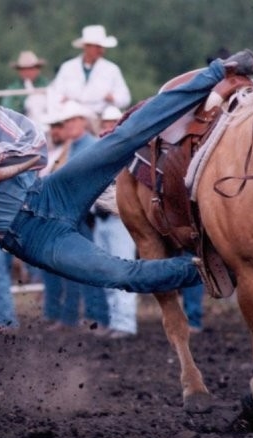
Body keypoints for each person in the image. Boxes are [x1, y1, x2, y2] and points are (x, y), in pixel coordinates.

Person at [0, 51, 253, 301]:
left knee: (123, 138)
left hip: (49, 193)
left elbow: (38, 146)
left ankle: (219, 71)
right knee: (118, 273)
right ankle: (221, 267)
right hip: (27, 236)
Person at [40, 101, 107, 331]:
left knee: (85, 267)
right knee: (79, 267)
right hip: (76, 215)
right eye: (65, 121)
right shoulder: (78, 145)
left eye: (69, 120)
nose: (66, 125)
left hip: (80, 215)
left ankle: (93, 315)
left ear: (81, 121)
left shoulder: (86, 146)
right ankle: (85, 316)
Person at [87, 105, 139, 339]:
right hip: (101, 217)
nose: (108, 126)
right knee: (107, 272)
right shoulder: (100, 150)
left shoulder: (129, 152)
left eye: (112, 122)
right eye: (105, 122)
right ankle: (115, 321)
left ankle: (126, 323)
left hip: (120, 219)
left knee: (122, 269)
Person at [48, 25, 131, 119]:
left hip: (100, 116)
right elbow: (55, 93)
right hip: (72, 116)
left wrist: (113, 98)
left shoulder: (112, 69)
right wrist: (62, 102)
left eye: (101, 47)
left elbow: (125, 98)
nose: (101, 51)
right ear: (86, 47)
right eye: (97, 47)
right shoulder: (68, 67)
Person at [1, 50, 50, 122]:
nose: (28, 72)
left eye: (31, 69)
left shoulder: (47, 85)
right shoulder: (13, 89)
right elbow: (8, 109)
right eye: (24, 69)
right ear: (19, 71)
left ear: (37, 69)